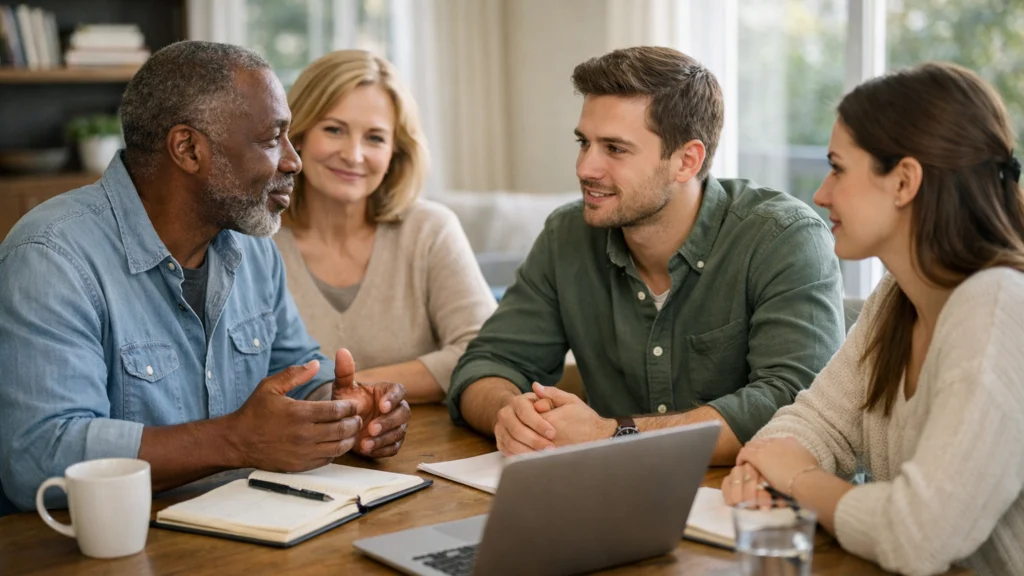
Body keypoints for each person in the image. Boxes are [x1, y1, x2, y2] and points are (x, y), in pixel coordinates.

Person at [0, 41, 411, 516]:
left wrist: (341, 411)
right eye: (272, 138)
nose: (294, 160)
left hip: (248, 533)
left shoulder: (254, 247)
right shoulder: (51, 258)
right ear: (188, 149)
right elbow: (37, 457)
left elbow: (296, 373)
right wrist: (234, 442)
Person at [447, 46, 845, 465]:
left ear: (686, 161)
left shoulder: (782, 238)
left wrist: (615, 435)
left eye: (615, 149)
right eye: (585, 143)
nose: (586, 168)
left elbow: (795, 403)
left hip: (762, 510)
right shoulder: (567, 235)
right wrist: (512, 414)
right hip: (613, 503)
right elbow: (486, 364)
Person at [722, 62, 1024, 576]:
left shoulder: (998, 308)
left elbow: (918, 536)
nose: (820, 194)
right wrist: (767, 462)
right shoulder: (898, 296)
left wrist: (795, 479)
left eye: (838, 168)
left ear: (904, 180)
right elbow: (817, 420)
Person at [275, 50, 495, 403]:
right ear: (296, 135)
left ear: (396, 151)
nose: (353, 154)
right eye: (334, 130)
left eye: (375, 138)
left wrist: (348, 389)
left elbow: (483, 351)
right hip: (296, 454)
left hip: (429, 448)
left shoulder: (430, 230)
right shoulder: (254, 241)